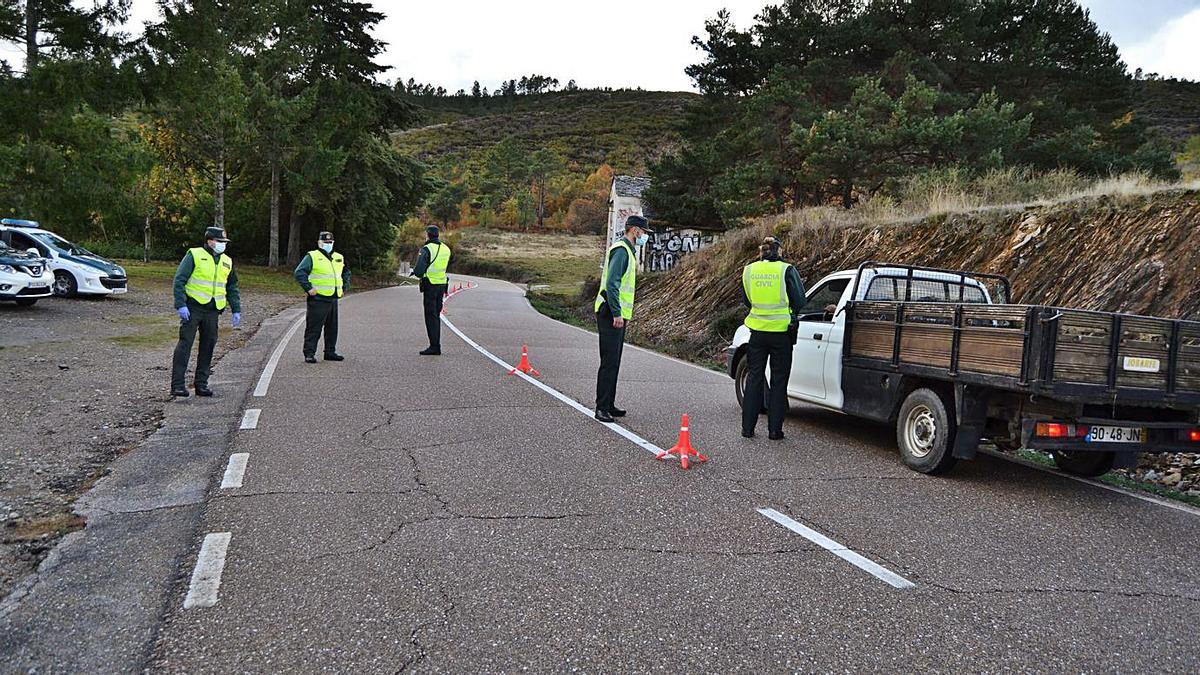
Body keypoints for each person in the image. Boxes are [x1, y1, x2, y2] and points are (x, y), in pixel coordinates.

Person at [740, 236, 805, 440]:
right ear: (779, 251)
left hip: (757, 333)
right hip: (781, 334)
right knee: (778, 381)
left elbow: (746, 300)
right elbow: (800, 301)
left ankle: (747, 429)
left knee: (754, 378)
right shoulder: (786, 270)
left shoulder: (749, 270)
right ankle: (775, 430)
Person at [593, 215, 654, 423]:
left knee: (615, 361)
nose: (645, 236)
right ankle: (601, 407)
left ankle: (609, 403)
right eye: (644, 232)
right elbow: (612, 284)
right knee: (609, 362)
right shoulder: (622, 250)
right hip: (611, 313)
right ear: (635, 230)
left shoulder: (628, 250)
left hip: (616, 314)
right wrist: (617, 312)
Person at [170, 226, 241, 398]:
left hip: (213, 310)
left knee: (208, 346)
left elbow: (232, 286)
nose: (223, 245)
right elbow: (179, 279)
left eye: (224, 242)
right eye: (220, 241)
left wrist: (236, 309)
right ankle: (177, 385)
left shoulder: (227, 261)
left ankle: (201, 384)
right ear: (210, 241)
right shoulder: (194, 255)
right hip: (193, 308)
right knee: (185, 345)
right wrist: (180, 304)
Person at [294, 231, 350, 363]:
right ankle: (309, 353)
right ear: (319, 243)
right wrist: (308, 288)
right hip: (318, 298)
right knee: (314, 327)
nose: (328, 244)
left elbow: (346, 272)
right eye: (325, 242)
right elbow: (299, 272)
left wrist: (344, 287)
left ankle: (330, 352)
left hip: (333, 298)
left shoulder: (338, 257)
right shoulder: (312, 256)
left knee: (332, 328)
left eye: (330, 242)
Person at [413, 225, 451, 355]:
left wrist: (417, 272)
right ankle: (436, 344)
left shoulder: (427, 249)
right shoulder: (446, 249)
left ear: (428, 235)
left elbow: (418, 271)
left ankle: (434, 346)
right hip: (442, 284)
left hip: (430, 285)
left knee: (430, 316)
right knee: (436, 315)